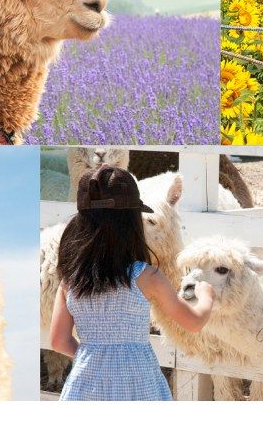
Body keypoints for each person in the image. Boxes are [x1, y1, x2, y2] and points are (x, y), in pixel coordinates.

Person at [50, 164, 214, 401]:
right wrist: (206, 296)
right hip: (138, 384)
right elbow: (193, 322)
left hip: (85, 387)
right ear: (132, 223)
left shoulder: (70, 280)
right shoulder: (146, 276)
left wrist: (91, 358)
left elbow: (58, 340)